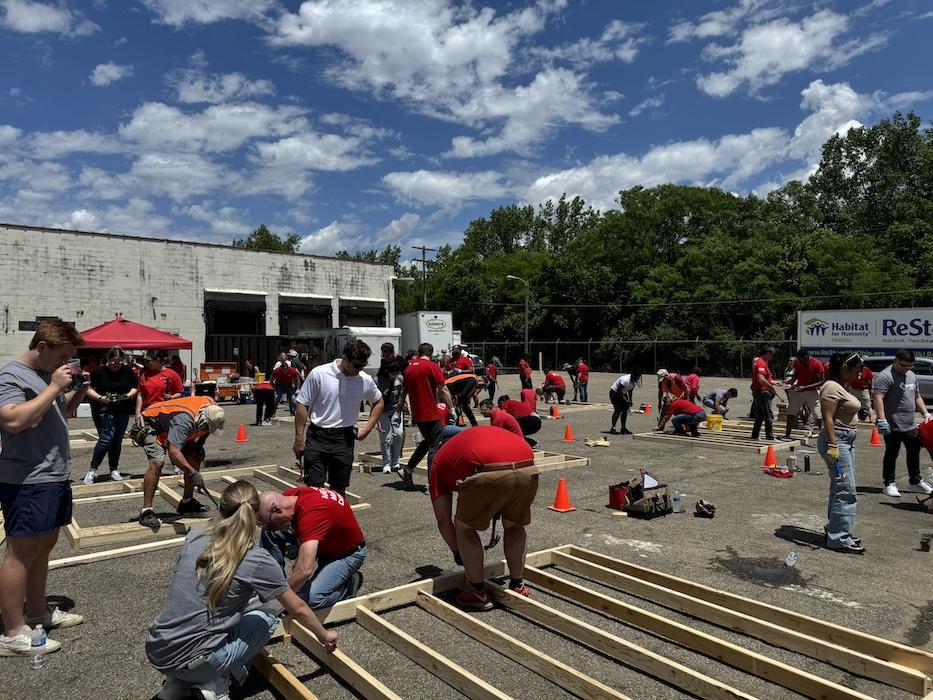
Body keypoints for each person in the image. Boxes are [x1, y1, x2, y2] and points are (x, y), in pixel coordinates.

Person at [147, 481, 337, 700]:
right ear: (256, 516)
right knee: (267, 615)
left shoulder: (195, 536)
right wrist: (324, 635)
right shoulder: (257, 559)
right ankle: (217, 684)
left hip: (158, 649)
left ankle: (176, 685)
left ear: (221, 508)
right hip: (196, 662)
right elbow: (299, 608)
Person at [0, 320, 87, 656]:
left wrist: (74, 392)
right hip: (27, 478)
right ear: (42, 348)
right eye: (62, 356)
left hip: (52, 475)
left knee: (44, 545)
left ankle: (38, 613)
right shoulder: (10, 376)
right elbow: (11, 420)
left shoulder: (42, 377)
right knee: (21, 553)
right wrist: (53, 387)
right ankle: (12, 631)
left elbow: (57, 413)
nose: (65, 364)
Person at [428, 426, 538, 610]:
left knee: (464, 528)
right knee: (515, 526)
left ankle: (477, 591)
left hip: (487, 469)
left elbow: (443, 521)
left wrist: (457, 551)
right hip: (527, 465)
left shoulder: (438, 461)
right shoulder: (468, 439)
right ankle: (518, 585)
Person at [294, 340, 383, 495]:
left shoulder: (364, 379)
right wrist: (299, 438)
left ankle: (335, 518)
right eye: (356, 365)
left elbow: (379, 402)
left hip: (344, 438)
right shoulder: (320, 373)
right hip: (318, 436)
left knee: (339, 488)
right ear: (345, 358)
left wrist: (367, 429)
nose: (359, 369)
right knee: (315, 488)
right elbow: (303, 404)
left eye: (363, 365)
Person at [258, 486, 366, 610]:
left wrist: (281, 600)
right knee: (269, 532)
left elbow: (304, 570)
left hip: (347, 554)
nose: (272, 526)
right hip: (324, 542)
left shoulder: (313, 513)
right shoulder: (288, 498)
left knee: (309, 599)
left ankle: (350, 584)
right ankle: (273, 583)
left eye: (271, 523)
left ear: (276, 509)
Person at [135, 396, 226, 528]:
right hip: (152, 424)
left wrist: (199, 446)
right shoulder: (184, 421)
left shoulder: (212, 408)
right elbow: (174, 452)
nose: (206, 430)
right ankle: (146, 511)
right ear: (202, 420)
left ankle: (187, 502)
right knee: (157, 463)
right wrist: (192, 472)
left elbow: (207, 430)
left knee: (195, 455)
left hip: (172, 424)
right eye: (206, 427)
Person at [816, 353, 866, 554]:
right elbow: (827, 418)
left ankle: (837, 530)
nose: (858, 376)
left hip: (846, 441)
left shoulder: (841, 387)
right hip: (837, 440)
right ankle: (839, 538)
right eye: (855, 371)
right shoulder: (831, 387)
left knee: (840, 486)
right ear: (844, 369)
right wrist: (833, 446)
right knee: (846, 488)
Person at [873, 348, 933, 497]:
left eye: (910, 366)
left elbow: (916, 396)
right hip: (892, 424)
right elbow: (878, 398)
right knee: (892, 453)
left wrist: (925, 413)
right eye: (904, 365)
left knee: (914, 451)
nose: (907, 369)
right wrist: (882, 419)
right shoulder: (885, 376)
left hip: (910, 424)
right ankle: (889, 483)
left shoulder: (911, 375)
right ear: (896, 361)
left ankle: (915, 481)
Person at [396, 343, 453, 488]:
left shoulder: (408, 369)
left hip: (418, 414)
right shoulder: (432, 366)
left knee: (428, 442)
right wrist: (452, 409)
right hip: (431, 414)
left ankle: (408, 470)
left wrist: (399, 409)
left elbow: (404, 392)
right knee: (435, 446)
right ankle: (432, 482)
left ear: (419, 352)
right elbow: (443, 389)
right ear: (431, 353)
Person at [83, 346, 138, 485]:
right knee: (106, 438)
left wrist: (127, 396)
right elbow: (89, 390)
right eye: (114, 361)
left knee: (117, 440)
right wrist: (102, 398)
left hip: (122, 409)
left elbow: (135, 387)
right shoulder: (99, 372)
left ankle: (114, 469)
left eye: (120, 362)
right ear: (108, 359)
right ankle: (92, 470)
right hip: (103, 409)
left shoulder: (127, 371)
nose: (116, 365)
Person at [784, 348, 825, 439]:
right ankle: (787, 434)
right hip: (798, 390)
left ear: (806, 357)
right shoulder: (798, 362)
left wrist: (806, 387)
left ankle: (824, 435)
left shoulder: (816, 364)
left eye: (801, 359)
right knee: (791, 412)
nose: (799, 361)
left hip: (811, 391)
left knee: (817, 414)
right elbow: (796, 375)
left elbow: (822, 381)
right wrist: (789, 382)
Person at [376, 360, 404, 474]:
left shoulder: (400, 379)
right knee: (386, 438)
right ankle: (386, 463)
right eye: (393, 373)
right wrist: (376, 419)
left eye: (397, 373)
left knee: (398, 434)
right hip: (382, 412)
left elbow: (403, 393)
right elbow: (372, 400)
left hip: (395, 410)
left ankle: (395, 461)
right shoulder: (377, 381)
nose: (395, 376)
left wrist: (402, 404)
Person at [136, 350, 184, 417]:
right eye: (145, 361)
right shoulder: (144, 375)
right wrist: (137, 413)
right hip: (147, 412)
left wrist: (171, 397)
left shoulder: (172, 374)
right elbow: (140, 395)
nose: (146, 364)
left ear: (158, 360)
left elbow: (180, 393)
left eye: (148, 361)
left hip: (166, 412)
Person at [445, 347, 478, 427]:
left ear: (460, 351)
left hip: (465, 384)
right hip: (454, 383)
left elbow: (472, 370)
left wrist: (460, 371)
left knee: (462, 402)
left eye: (456, 351)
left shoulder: (465, 359)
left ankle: (468, 422)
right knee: (455, 403)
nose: (454, 353)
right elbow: (444, 371)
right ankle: (460, 420)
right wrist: (449, 372)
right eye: (453, 351)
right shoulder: (449, 361)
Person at [749, 347, 777, 441]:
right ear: (768, 353)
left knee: (760, 415)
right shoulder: (761, 362)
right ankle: (770, 437)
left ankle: (755, 435)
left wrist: (773, 382)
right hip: (762, 393)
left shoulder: (763, 362)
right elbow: (761, 379)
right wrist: (771, 387)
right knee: (768, 415)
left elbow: (765, 378)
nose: (772, 357)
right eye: (772, 355)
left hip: (760, 392)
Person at [609, 370, 640, 435]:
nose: (637, 379)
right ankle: (613, 428)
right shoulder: (625, 380)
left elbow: (630, 390)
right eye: (636, 377)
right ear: (632, 375)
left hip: (623, 392)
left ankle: (623, 428)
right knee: (618, 410)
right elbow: (618, 391)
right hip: (615, 393)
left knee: (625, 410)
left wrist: (630, 400)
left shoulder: (634, 381)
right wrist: (626, 400)